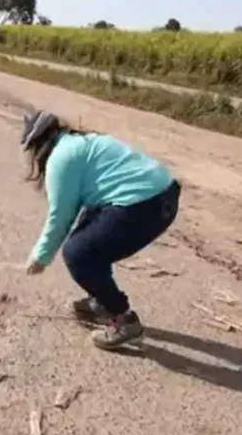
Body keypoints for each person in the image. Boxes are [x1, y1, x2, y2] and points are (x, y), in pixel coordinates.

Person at [20, 111, 181, 350]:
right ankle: (102, 300)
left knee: (79, 254)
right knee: (90, 237)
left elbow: (60, 216)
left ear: (38, 144)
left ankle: (124, 321)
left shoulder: (60, 158)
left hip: (142, 207)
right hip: (165, 196)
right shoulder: (84, 142)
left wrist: (40, 256)